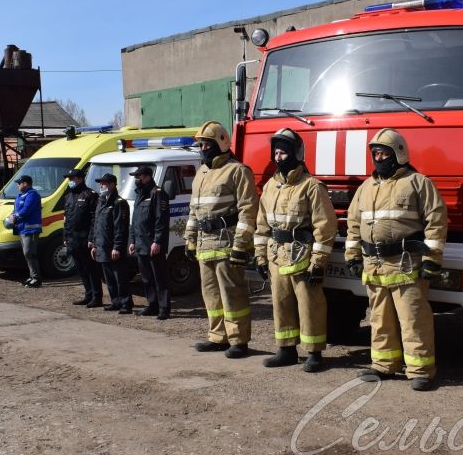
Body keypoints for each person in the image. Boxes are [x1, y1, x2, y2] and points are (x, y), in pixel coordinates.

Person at [345, 128, 447, 391]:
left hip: (406, 264)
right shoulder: (366, 188)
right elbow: (354, 224)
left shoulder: (418, 182)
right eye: (375, 153)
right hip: (375, 266)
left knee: (413, 318)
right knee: (379, 320)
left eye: (383, 153)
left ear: (398, 154)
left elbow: (436, 221)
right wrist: (353, 255)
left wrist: (432, 258)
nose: (378, 158)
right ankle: (384, 365)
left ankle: (420, 370)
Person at [254, 128, 338, 372]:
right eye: (276, 153)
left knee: (309, 305)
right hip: (276, 255)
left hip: (303, 256)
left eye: (284, 152)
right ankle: (286, 349)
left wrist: (319, 262)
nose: (279, 157)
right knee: (280, 304)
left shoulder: (311, 186)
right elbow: (262, 225)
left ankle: (314, 353)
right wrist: (260, 257)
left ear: (297, 154)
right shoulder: (270, 186)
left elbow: (325, 226)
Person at [185, 120, 259, 358]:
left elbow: (248, 210)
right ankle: (218, 337)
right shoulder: (201, 173)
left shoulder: (238, 171)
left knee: (232, 294)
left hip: (227, 243)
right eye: (200, 145)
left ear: (221, 143)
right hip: (205, 244)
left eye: (206, 144)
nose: (203, 149)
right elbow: (194, 210)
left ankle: (239, 340)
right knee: (211, 295)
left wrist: (241, 245)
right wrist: (190, 239)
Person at [128, 165, 172, 320]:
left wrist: (157, 241)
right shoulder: (140, 194)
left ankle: (164, 308)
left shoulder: (157, 193)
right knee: (146, 278)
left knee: (159, 277)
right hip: (140, 244)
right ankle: (152, 304)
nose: (136, 179)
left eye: (139, 176)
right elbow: (135, 221)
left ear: (147, 176)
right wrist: (132, 240)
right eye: (135, 177)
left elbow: (161, 220)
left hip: (153, 244)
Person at [89, 173, 133, 314]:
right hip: (102, 246)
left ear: (112, 184)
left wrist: (118, 247)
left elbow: (120, 227)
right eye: (100, 183)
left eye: (104, 183)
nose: (101, 186)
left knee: (120, 277)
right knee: (109, 278)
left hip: (113, 247)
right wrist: (95, 244)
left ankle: (126, 303)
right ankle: (116, 301)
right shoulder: (101, 201)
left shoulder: (119, 203)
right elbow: (97, 225)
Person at [63, 168, 103, 308]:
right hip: (72, 239)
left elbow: (94, 219)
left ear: (80, 179)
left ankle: (97, 297)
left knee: (91, 269)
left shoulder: (90, 195)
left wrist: (92, 238)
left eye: (72, 179)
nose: (70, 181)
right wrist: (65, 237)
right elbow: (66, 219)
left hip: (85, 239)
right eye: (69, 179)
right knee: (80, 269)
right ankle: (88, 294)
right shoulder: (68, 196)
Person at [9, 174, 43, 288]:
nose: (18, 185)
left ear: (25, 183)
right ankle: (32, 276)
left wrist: (16, 216)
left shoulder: (33, 194)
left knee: (30, 253)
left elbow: (26, 209)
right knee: (27, 254)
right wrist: (12, 215)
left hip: (31, 229)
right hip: (22, 228)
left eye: (19, 183)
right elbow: (16, 209)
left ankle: (37, 278)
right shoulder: (20, 195)